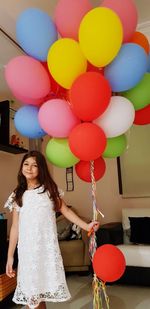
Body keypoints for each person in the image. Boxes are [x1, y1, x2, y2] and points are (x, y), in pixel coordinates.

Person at [4, 150, 100, 309]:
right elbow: (15, 227)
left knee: (39, 294)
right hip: (27, 252)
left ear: (41, 169)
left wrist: (86, 226)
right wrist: (10, 257)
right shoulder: (18, 195)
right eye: (26, 164)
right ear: (21, 167)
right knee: (32, 295)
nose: (29, 168)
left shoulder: (49, 191)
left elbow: (66, 211)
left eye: (34, 165)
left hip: (45, 250)